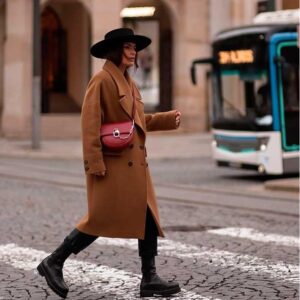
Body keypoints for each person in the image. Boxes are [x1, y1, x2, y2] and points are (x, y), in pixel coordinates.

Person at [37, 27, 182, 298]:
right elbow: (89, 124)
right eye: (128, 47)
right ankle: (54, 261)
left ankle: (149, 278)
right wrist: (94, 164)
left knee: (148, 217)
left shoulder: (130, 82)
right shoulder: (102, 80)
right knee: (98, 220)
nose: (133, 51)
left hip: (136, 166)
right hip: (112, 166)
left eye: (134, 47)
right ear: (116, 50)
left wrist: (165, 119)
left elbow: (137, 122)